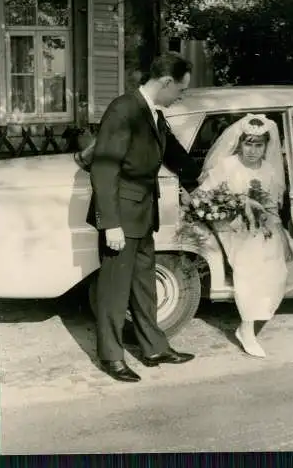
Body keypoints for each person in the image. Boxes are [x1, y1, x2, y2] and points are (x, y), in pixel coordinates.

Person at [86, 52, 202, 382]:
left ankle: (154, 347)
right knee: (113, 290)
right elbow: (104, 168)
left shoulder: (152, 112)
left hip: (142, 212)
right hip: (121, 216)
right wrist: (110, 223)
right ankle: (111, 357)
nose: (181, 95)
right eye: (180, 89)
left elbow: (173, 152)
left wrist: (202, 177)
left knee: (144, 285)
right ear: (166, 82)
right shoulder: (124, 109)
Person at [195, 113, 293, 358]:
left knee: (279, 261)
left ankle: (253, 319)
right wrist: (235, 204)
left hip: (261, 226)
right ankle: (247, 328)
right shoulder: (227, 165)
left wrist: (280, 233)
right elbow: (203, 196)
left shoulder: (269, 170)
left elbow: (273, 208)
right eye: (248, 143)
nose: (252, 150)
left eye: (258, 145)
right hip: (229, 225)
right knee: (253, 260)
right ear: (239, 143)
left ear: (266, 146)